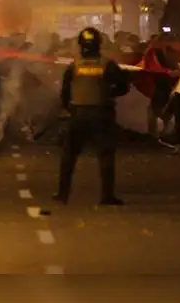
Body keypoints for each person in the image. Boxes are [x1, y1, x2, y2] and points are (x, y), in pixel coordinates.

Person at [53, 27, 130, 206]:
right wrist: (108, 93)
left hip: (78, 113)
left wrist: (71, 109)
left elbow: (65, 92)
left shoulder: (74, 65)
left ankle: (63, 194)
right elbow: (123, 87)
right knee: (105, 155)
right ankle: (107, 196)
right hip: (101, 113)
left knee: (69, 155)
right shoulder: (108, 64)